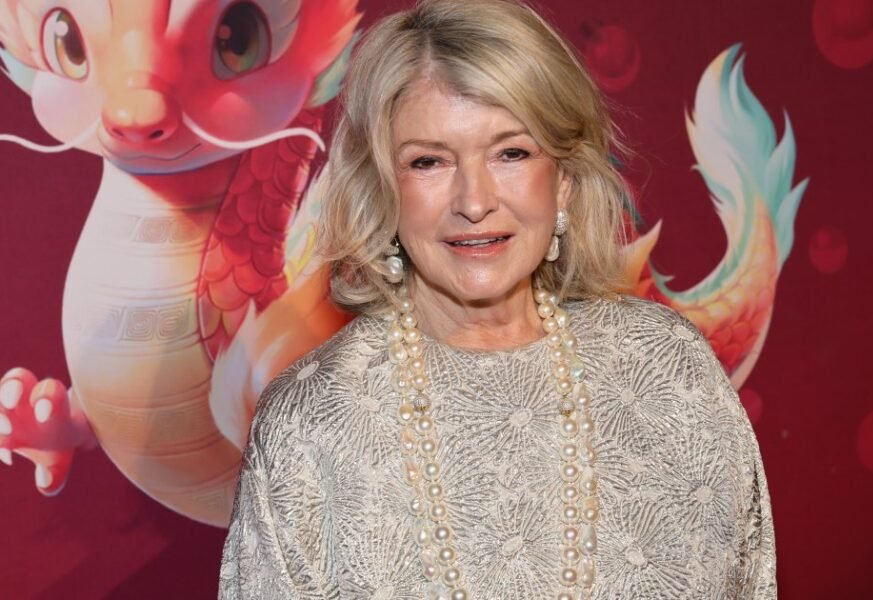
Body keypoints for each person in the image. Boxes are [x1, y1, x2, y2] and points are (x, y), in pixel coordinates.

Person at [218, 0, 776, 598]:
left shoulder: (669, 370)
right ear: (382, 189)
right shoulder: (312, 423)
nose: (475, 201)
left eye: (511, 153)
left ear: (564, 179)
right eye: (428, 161)